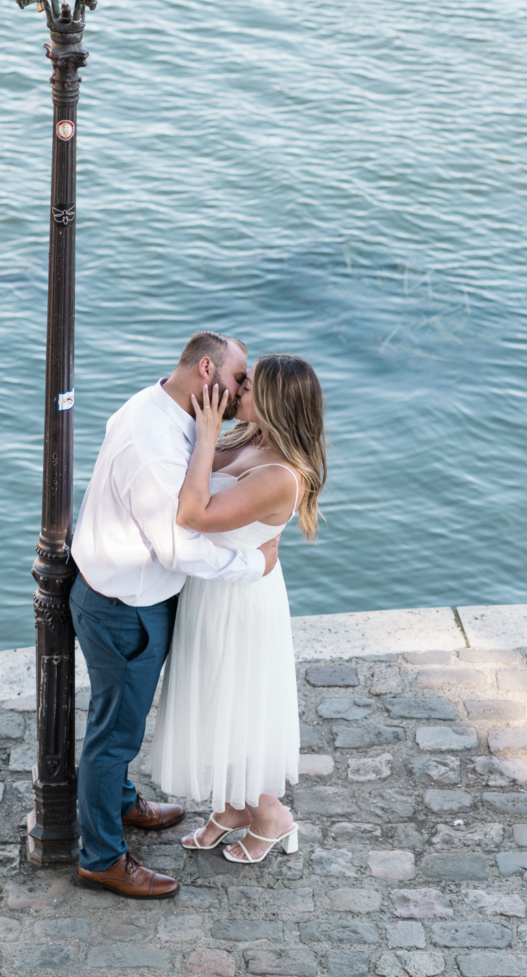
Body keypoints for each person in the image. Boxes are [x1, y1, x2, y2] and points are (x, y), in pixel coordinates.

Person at [70, 331, 280, 900]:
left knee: (120, 728)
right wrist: (252, 564)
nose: (240, 396)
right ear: (207, 370)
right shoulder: (156, 447)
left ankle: (119, 804)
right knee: (113, 737)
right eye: (238, 381)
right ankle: (102, 857)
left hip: (128, 593)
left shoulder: (154, 402)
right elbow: (177, 548)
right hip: (125, 607)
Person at [150, 353, 327, 863]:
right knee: (214, 699)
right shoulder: (252, 438)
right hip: (213, 589)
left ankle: (271, 814)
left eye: (246, 387)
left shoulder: (281, 474)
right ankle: (231, 808)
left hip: (240, 603)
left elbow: (194, 511)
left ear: (272, 402)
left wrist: (206, 433)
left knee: (237, 704)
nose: (237, 391)